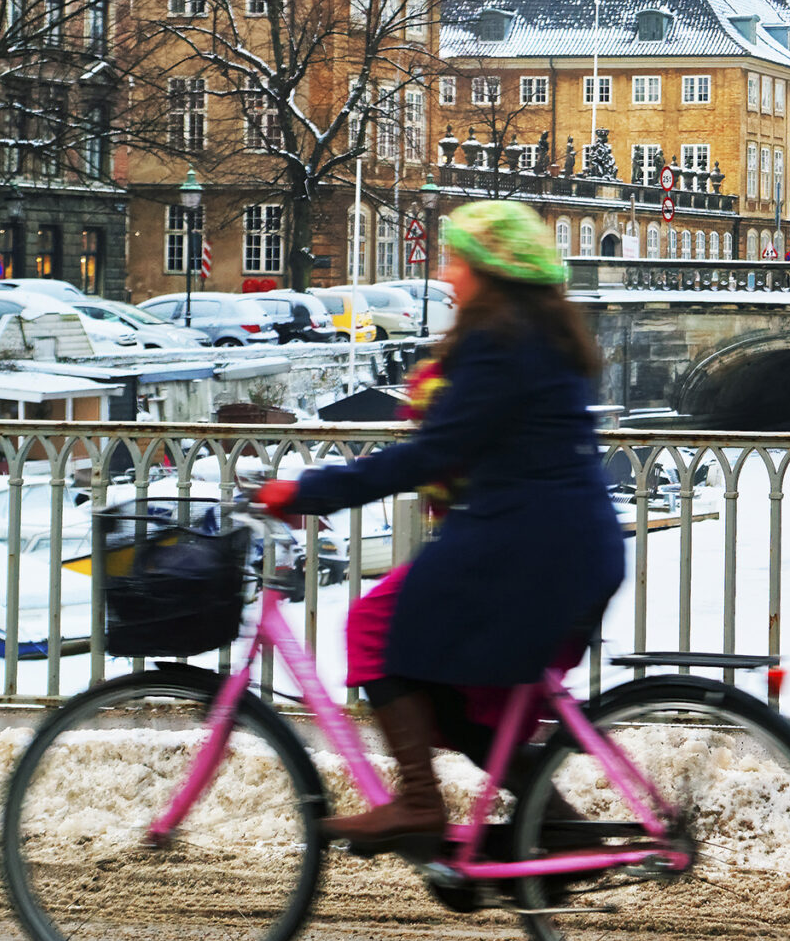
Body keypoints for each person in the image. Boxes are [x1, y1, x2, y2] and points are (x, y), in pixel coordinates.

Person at [259, 201, 622, 852]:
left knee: (373, 623)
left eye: (458, 259)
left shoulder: (500, 342)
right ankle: (562, 831)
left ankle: (420, 803)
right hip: (564, 545)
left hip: (525, 546)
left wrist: (311, 490)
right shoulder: (543, 335)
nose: (448, 274)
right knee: (477, 701)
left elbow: (433, 453)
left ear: (490, 269)